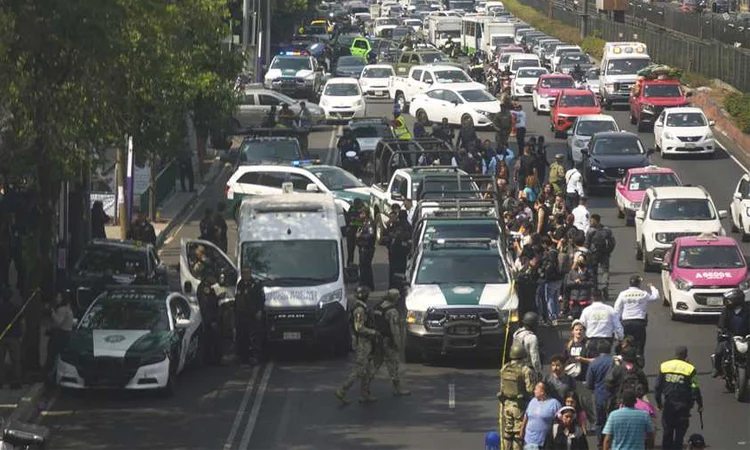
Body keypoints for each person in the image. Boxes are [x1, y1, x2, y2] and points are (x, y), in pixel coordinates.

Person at [654, 346, 703, 450]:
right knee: (679, 436)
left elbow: (657, 387)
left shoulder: (664, 366)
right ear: (686, 355)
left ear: (675, 354)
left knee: (667, 433)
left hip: (669, 405)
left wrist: (659, 402)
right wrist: (700, 404)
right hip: (683, 407)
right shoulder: (690, 369)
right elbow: (695, 388)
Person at [336, 286, 378, 404]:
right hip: (362, 342)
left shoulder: (361, 307)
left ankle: (365, 394)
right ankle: (342, 390)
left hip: (365, 342)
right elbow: (359, 327)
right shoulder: (359, 310)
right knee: (359, 370)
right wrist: (373, 332)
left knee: (368, 370)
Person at [368, 289, 411, 396]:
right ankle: (397, 389)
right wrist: (397, 343)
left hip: (378, 339)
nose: (399, 297)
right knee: (394, 365)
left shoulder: (378, 307)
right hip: (388, 341)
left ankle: (365, 388)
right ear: (394, 298)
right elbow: (394, 329)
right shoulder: (392, 311)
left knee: (376, 364)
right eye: (398, 296)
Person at [498, 344, 536, 450]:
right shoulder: (525, 370)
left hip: (506, 404)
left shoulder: (505, 368)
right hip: (519, 405)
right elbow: (530, 389)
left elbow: (502, 386)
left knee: (507, 431)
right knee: (518, 434)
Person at [614, 275, 659, 359]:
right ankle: (639, 359)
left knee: (625, 344)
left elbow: (617, 309)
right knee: (640, 345)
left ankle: (624, 360)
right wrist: (652, 287)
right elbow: (655, 297)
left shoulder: (623, 294)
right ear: (639, 284)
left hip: (626, 322)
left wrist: (617, 324)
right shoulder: (643, 294)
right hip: (639, 323)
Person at [712, 288, 750, 377]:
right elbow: (721, 324)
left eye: (729, 300)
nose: (727, 302)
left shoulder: (748, 310)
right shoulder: (726, 311)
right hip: (730, 337)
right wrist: (722, 330)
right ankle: (718, 369)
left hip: (746, 337)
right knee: (719, 352)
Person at [234, 268, 266, 365]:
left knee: (254, 337)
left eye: (247, 273)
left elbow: (261, 298)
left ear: (250, 273)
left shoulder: (256, 284)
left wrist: (259, 310)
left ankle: (255, 357)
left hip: (253, 314)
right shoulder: (240, 284)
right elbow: (238, 298)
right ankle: (244, 358)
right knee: (243, 336)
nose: (245, 274)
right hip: (242, 314)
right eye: (243, 273)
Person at [585, 340, 614, 443]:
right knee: (613, 419)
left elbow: (589, 384)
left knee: (600, 421)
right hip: (613, 396)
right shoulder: (614, 362)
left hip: (599, 396)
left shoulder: (594, 363)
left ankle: (600, 443)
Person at [521, 382, 562, 449]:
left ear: (542, 392)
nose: (534, 391)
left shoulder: (554, 404)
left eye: (536, 389)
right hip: (528, 441)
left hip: (544, 443)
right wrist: (522, 429)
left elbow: (560, 421)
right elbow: (526, 416)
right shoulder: (533, 401)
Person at [45, 291, 74, 382]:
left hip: (60, 334)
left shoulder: (62, 309)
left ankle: (48, 374)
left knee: (52, 354)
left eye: (59, 297)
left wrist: (52, 312)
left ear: (63, 299)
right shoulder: (68, 308)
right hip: (66, 333)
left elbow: (58, 321)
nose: (57, 299)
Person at [584, 214, 615, 299]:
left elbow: (587, 243)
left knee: (594, 272)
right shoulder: (607, 230)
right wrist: (608, 251)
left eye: (591, 221)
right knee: (605, 271)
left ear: (595, 221)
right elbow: (613, 242)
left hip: (593, 254)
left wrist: (586, 254)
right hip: (605, 254)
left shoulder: (590, 231)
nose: (590, 222)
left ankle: (595, 289)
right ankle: (605, 286)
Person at [197, 272, 222, 365]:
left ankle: (212, 359)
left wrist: (218, 298)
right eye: (214, 278)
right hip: (210, 319)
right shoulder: (205, 287)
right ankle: (214, 360)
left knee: (212, 340)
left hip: (211, 318)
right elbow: (206, 305)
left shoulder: (208, 287)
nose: (215, 280)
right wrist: (211, 320)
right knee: (213, 340)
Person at [0, 289, 23, 389]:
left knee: (0, 360)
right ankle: (16, 382)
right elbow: (20, 320)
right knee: (15, 360)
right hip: (13, 336)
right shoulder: (15, 308)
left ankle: (1, 381)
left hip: (2, 336)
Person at [356, 209, 376, 291]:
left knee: (366, 267)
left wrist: (361, 235)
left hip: (367, 248)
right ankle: (363, 284)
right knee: (362, 267)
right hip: (362, 247)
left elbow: (371, 234)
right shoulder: (363, 222)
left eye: (362, 213)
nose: (360, 215)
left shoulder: (369, 223)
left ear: (365, 214)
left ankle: (368, 285)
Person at [345, 198, 365, 267]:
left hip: (357, 231)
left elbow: (361, 219)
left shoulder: (360, 209)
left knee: (360, 250)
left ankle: (359, 264)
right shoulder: (352, 210)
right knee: (351, 250)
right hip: (351, 232)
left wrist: (357, 220)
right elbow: (350, 220)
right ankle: (350, 263)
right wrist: (358, 220)